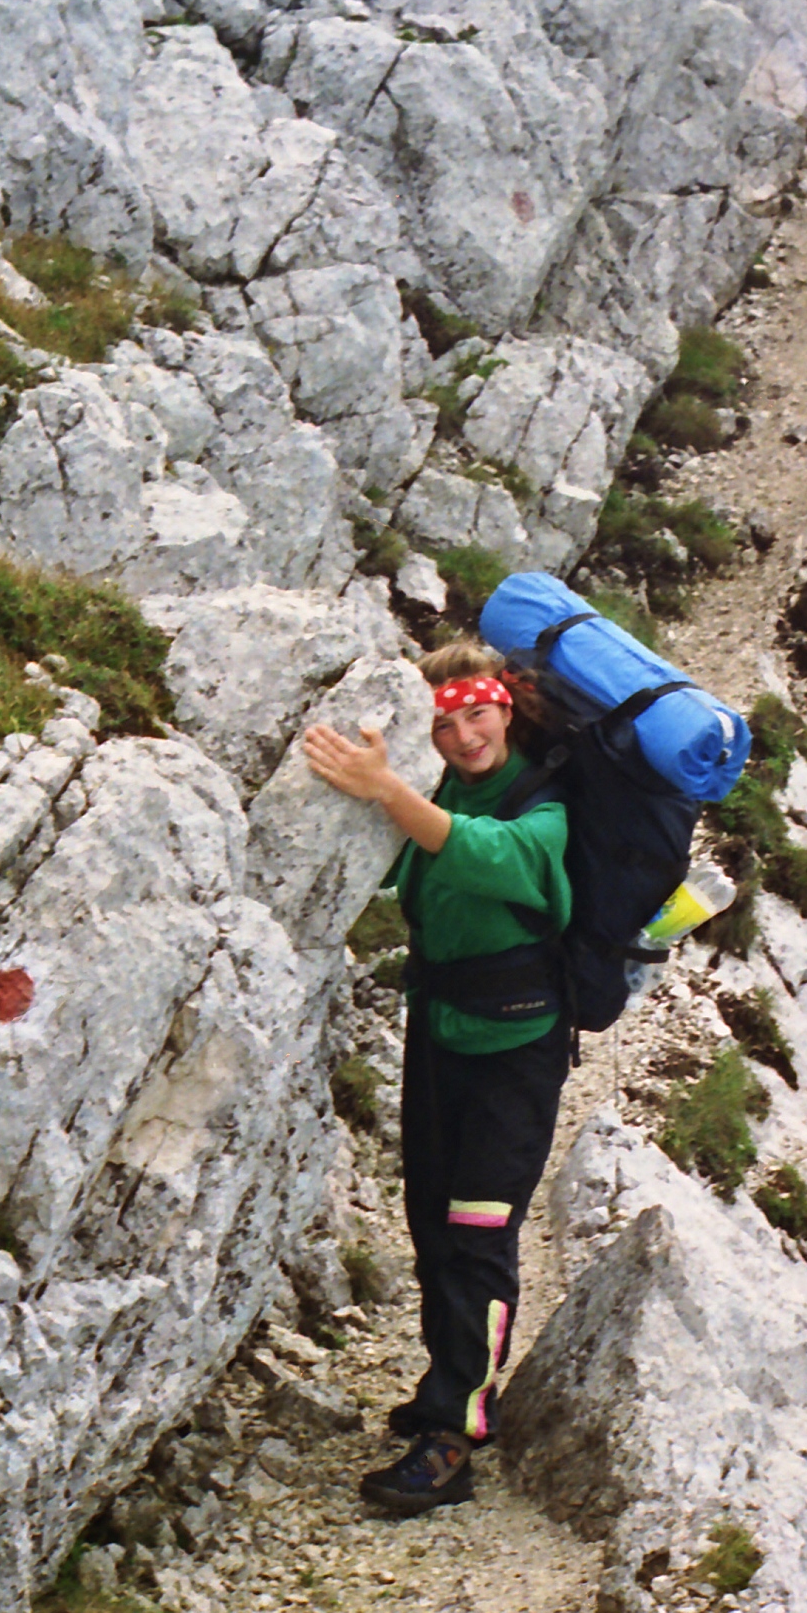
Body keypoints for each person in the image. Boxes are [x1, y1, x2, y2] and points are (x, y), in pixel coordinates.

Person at [302, 642, 572, 1516]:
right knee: (430, 1216)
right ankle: (444, 1386)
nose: (462, 737)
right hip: (441, 1032)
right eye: (443, 723)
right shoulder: (443, 787)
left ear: (508, 707)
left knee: (477, 1230)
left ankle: (457, 1432)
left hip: (517, 1046)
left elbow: (493, 858)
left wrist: (388, 791)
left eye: (477, 714)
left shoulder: (548, 798)